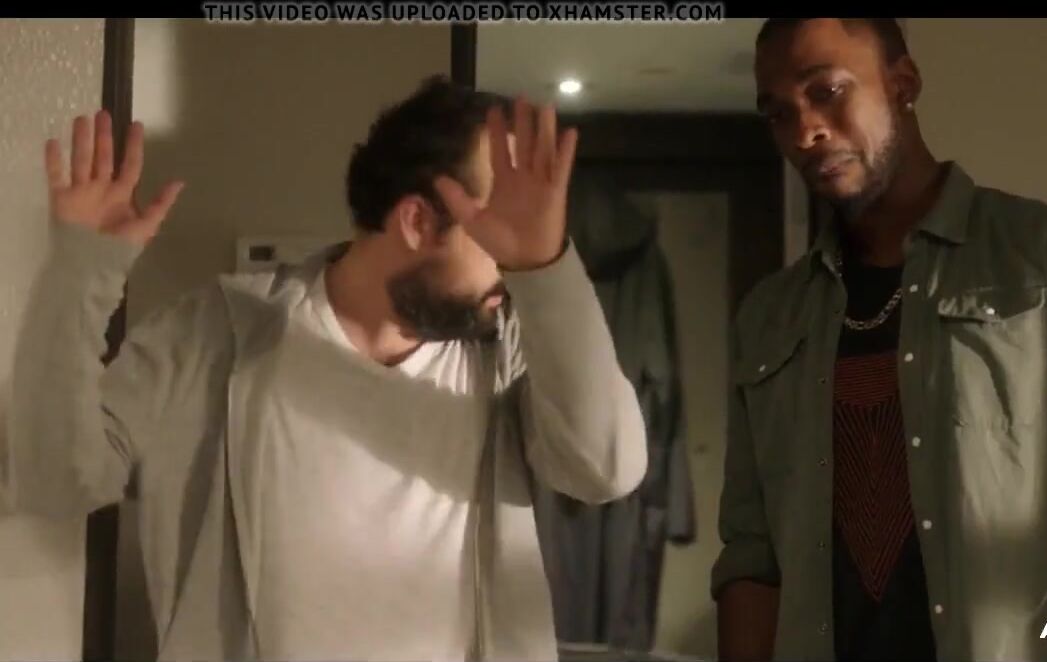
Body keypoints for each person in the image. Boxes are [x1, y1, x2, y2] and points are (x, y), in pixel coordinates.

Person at [2, 75, 648, 661]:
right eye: (500, 225)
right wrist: (78, 276)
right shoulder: (208, 335)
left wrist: (546, 269)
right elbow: (54, 481)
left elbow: (604, 469)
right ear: (417, 221)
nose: (515, 254)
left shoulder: (509, 352)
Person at [712, 18, 1047, 662]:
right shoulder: (768, 316)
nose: (804, 132)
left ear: (902, 84)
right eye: (778, 114)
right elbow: (751, 552)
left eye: (827, 92)